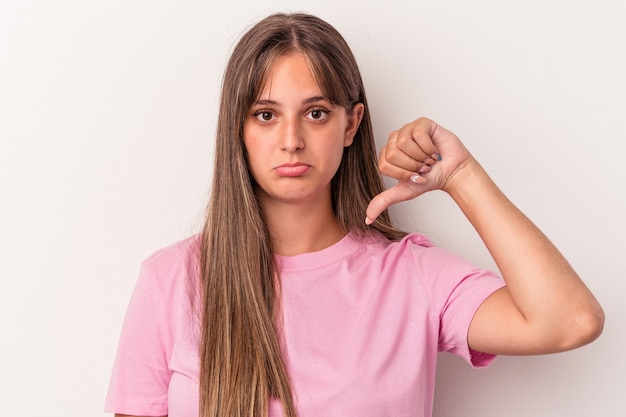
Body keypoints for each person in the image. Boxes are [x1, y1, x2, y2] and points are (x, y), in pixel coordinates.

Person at [104, 12, 604, 417]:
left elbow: (570, 320)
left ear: (352, 124)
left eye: (316, 112)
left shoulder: (411, 276)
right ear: (238, 129)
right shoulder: (171, 281)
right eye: (266, 114)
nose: (292, 139)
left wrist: (461, 176)